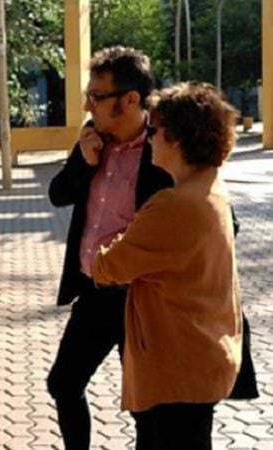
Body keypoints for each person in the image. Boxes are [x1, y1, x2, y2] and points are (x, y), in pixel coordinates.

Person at [91, 82, 243, 449]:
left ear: (175, 138)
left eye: (155, 131)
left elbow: (107, 266)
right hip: (199, 357)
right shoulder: (210, 192)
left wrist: (113, 241)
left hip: (178, 367)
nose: (149, 139)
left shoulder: (173, 205)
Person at [46, 47, 173, 450]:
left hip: (143, 300)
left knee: (146, 408)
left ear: (131, 99)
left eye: (97, 97)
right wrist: (84, 161)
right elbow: (57, 194)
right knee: (64, 384)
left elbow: (210, 216)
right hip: (96, 292)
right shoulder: (92, 137)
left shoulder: (167, 145)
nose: (88, 104)